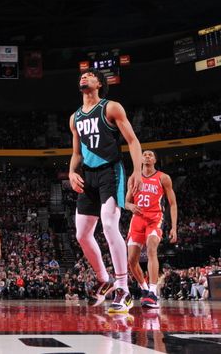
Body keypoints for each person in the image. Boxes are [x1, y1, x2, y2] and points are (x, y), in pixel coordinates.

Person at [68, 69, 143, 313]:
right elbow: (77, 153)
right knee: (81, 234)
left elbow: (132, 141)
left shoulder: (111, 107)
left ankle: (124, 289)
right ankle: (104, 278)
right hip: (88, 175)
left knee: (110, 224)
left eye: (89, 75)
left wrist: (137, 171)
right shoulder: (75, 117)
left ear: (99, 83)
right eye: (82, 75)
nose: (83, 77)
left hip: (110, 171)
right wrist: (71, 173)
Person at [125, 150, 177, 309]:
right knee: (131, 261)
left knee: (152, 248)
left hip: (155, 218)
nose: (147, 156)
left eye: (150, 155)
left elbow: (172, 204)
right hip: (137, 220)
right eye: (144, 154)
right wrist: (130, 206)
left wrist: (174, 227)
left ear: (154, 159)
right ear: (140, 158)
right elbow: (126, 202)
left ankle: (153, 292)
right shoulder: (133, 178)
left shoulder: (163, 177)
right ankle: (145, 289)